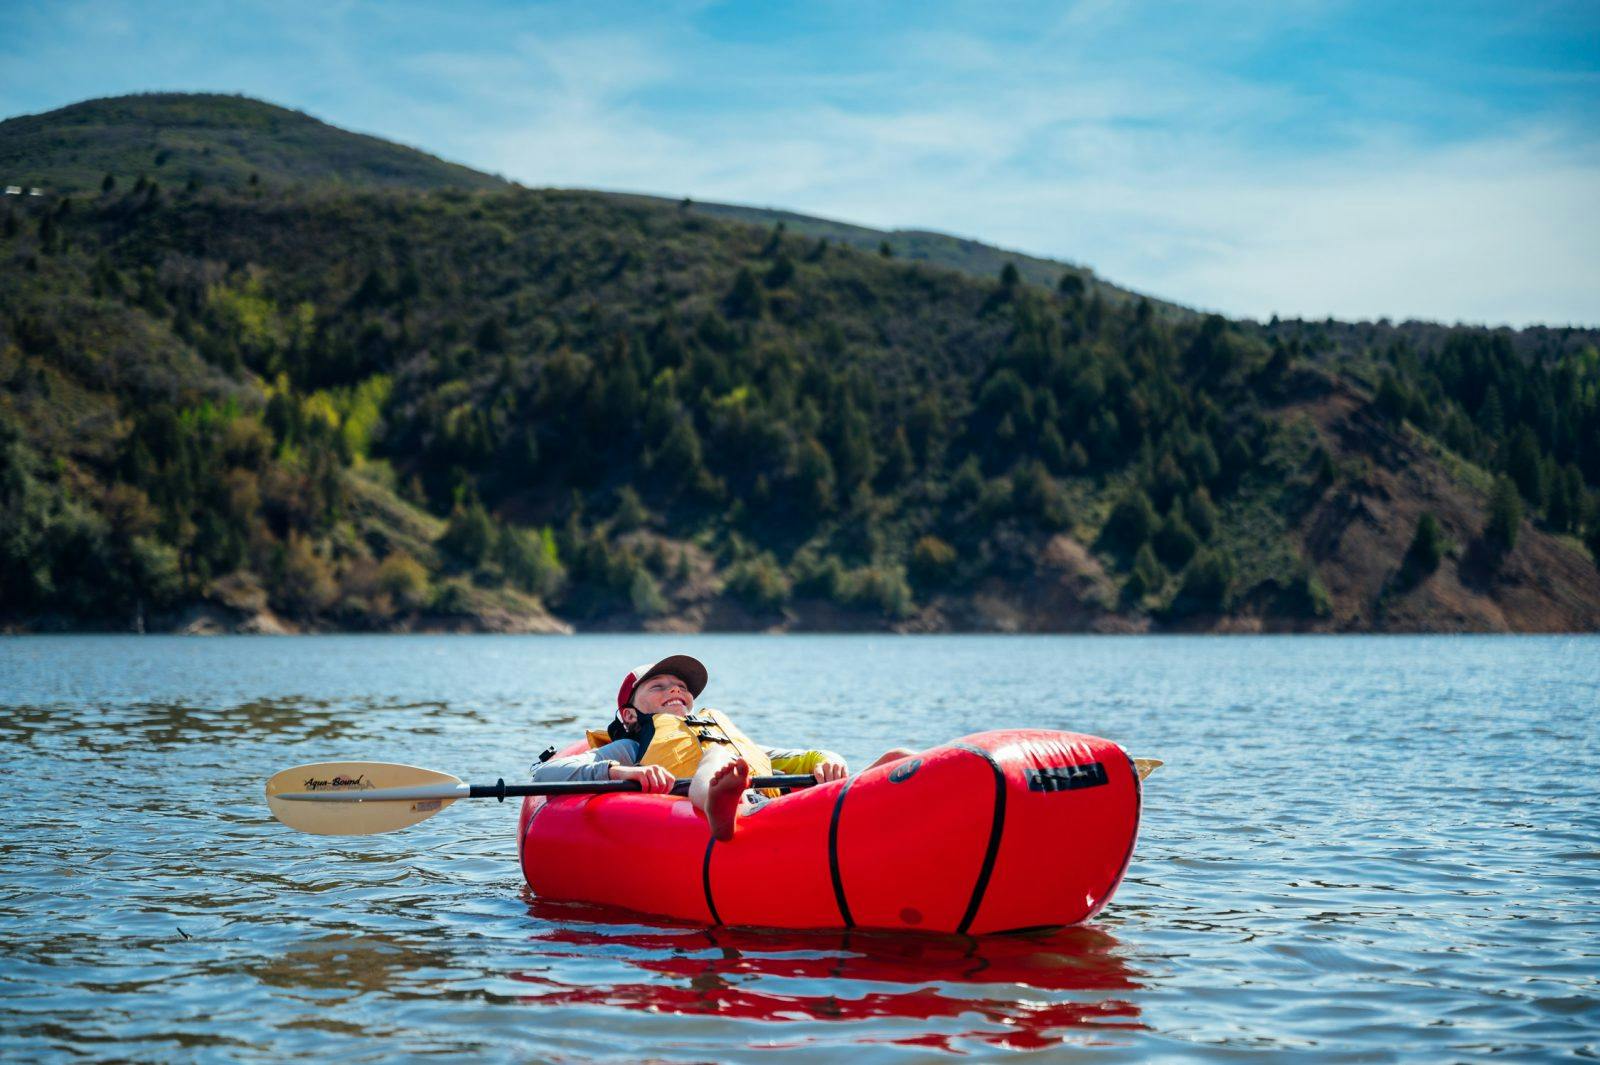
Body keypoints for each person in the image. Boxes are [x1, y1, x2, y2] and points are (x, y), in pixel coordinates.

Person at [532, 654, 915, 841]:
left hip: (776, 800)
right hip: (717, 804)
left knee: (896, 757)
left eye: (681, 687)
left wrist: (830, 761)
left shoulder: (716, 731)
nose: (676, 690)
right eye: (659, 686)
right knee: (718, 758)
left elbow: (795, 756)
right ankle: (721, 806)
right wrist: (622, 772)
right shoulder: (632, 747)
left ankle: (878, 794)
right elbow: (544, 774)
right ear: (630, 714)